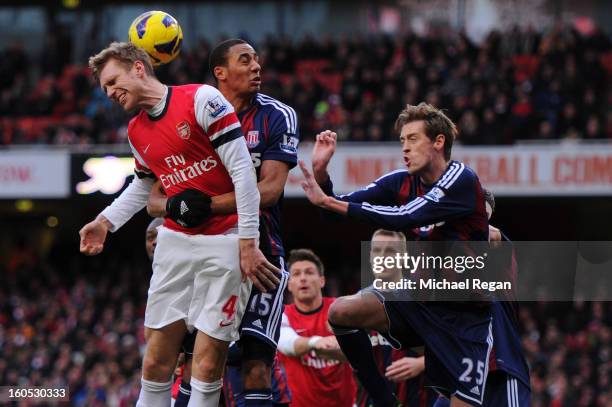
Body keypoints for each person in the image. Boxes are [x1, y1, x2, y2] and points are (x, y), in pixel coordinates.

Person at [79, 41, 280, 407]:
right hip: (175, 242)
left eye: (112, 81)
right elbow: (143, 184)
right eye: (105, 88)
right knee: (155, 359)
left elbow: (243, 177)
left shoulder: (202, 100)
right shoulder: (136, 131)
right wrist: (106, 221)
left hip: (226, 240)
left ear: (139, 67)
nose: (109, 92)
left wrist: (248, 243)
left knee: (205, 362)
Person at [299, 103, 492, 407]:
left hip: (464, 316)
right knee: (341, 312)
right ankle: (383, 400)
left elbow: (404, 217)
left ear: (438, 142)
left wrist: (328, 202)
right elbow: (335, 211)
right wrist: (323, 176)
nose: (404, 148)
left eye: (413, 139)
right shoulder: (400, 181)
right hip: (417, 300)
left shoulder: (461, 180)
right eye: (402, 140)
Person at [146, 38, 298, 407]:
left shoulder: (277, 115)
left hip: (261, 253)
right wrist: (180, 209)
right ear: (220, 73)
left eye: (258, 60)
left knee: (256, 363)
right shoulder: (190, 115)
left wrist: (205, 206)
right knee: (193, 360)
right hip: (202, 254)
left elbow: (272, 189)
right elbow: (154, 200)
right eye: (245, 60)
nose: (256, 66)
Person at [434, 189, 531, 406]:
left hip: (501, 368)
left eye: (482, 216)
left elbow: (492, 236)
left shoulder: (498, 246)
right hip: (463, 368)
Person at [360, 229, 437, 407]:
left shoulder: (423, 297)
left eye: (391, 251)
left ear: (403, 257)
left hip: (420, 398)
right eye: (377, 250)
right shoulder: (357, 303)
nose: (383, 257)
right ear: (370, 256)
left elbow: (453, 347)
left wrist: (422, 362)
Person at [276, 249, 357, 407]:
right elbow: (288, 345)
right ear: (289, 284)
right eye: (297, 274)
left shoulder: (340, 308)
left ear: (322, 281)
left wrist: (341, 349)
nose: (303, 278)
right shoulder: (281, 315)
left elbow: (357, 352)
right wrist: (317, 343)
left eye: (309, 272)